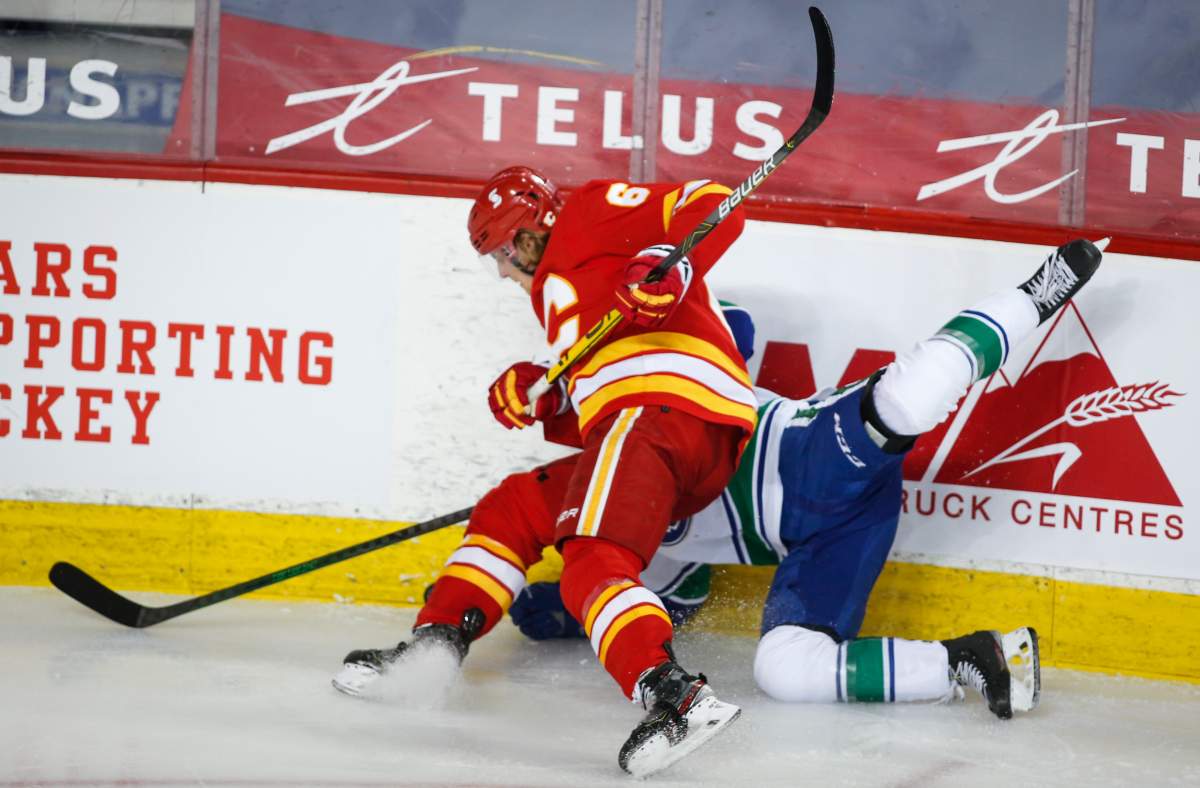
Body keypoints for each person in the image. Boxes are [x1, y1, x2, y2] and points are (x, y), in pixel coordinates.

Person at [507, 237, 1106, 719]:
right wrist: (569, 611)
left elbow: (731, 324)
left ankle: (1033, 296)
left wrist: (665, 297)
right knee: (785, 670)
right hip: (827, 543)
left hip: (804, 456)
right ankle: (977, 657)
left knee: (909, 400)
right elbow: (676, 599)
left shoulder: (664, 408)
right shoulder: (616, 506)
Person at [333, 167, 760, 777]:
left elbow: (715, 203)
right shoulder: (555, 294)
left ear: (525, 233)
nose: (502, 273)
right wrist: (545, 393)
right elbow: (597, 387)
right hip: (646, 423)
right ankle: (435, 645)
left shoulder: (590, 209)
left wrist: (673, 261)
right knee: (516, 507)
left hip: (666, 409)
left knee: (590, 557)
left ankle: (675, 697)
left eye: (501, 255)